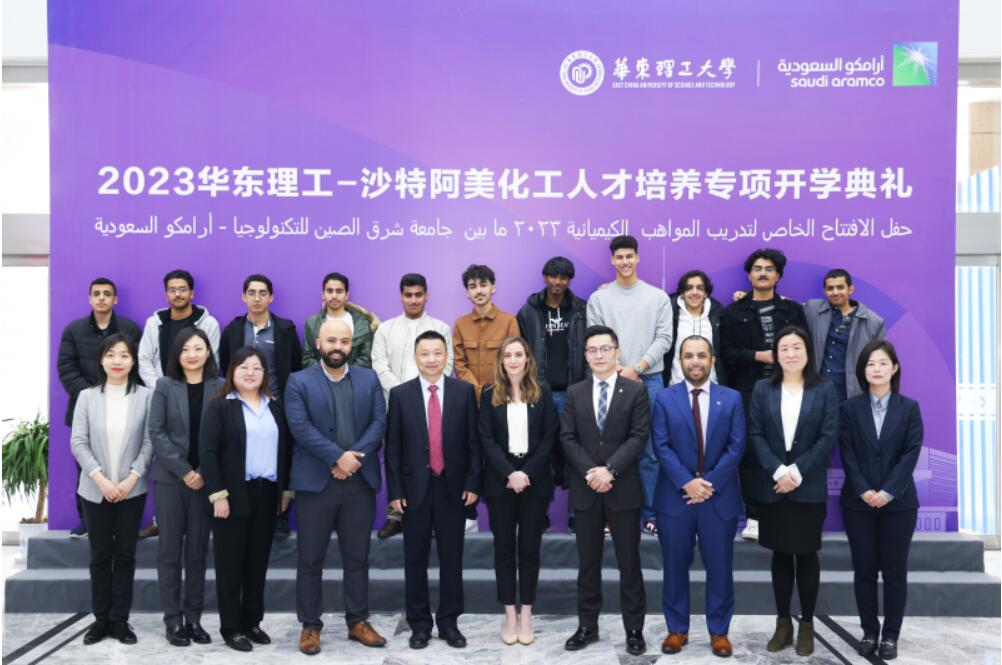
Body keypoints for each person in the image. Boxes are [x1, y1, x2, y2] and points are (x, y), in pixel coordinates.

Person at [285, 320, 388, 654]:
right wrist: (337, 457)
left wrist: (351, 460)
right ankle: (310, 626)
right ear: (318, 344)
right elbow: (299, 426)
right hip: (316, 485)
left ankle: (358, 621)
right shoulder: (298, 381)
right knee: (310, 558)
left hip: (358, 482)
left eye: (344, 341)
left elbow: (379, 422)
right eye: (331, 340)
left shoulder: (368, 378)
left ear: (352, 345)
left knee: (357, 557)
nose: (337, 347)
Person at [385, 330, 482, 650]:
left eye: (437, 353)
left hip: (453, 489)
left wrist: (473, 482)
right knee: (415, 560)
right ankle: (420, 625)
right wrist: (395, 490)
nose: (431, 359)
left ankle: (449, 622)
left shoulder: (463, 392)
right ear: (415, 357)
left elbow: (473, 443)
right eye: (425, 354)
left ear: (446, 356)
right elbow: (393, 448)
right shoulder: (400, 395)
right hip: (414, 491)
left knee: (452, 559)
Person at [651, 335, 746, 658]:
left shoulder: (731, 398)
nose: (695, 361)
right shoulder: (665, 398)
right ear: (680, 361)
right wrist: (686, 483)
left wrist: (708, 484)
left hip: (718, 499)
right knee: (674, 566)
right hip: (674, 498)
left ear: (712, 360)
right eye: (689, 355)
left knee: (720, 567)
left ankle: (719, 631)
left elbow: (737, 446)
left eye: (701, 355)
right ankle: (677, 629)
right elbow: (660, 445)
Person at [747, 326, 837, 657]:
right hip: (774, 486)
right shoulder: (762, 388)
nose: (790, 353)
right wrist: (778, 471)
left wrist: (796, 472)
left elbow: (828, 435)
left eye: (797, 347)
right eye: (784, 348)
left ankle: (807, 625)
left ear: (807, 352)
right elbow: (755, 434)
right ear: (776, 354)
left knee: (807, 555)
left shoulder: (825, 388)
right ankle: (783, 623)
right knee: (780, 555)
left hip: (807, 485)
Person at [561, 325, 650, 657]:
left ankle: (634, 630)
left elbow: (638, 437)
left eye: (605, 349)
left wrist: (610, 470)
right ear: (585, 356)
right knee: (588, 563)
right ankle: (587, 626)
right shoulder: (575, 392)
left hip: (622, 488)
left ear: (617, 352)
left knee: (630, 563)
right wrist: (591, 472)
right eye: (592, 350)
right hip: (586, 489)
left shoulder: (636, 391)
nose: (599, 355)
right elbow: (567, 437)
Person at [199, 347, 292, 651]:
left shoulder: (275, 407)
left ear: (265, 374)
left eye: (257, 368)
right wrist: (218, 495)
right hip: (232, 495)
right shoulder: (220, 406)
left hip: (267, 494)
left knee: (257, 563)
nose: (250, 373)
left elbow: (286, 451)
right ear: (232, 371)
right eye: (244, 367)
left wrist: (286, 492)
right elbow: (208, 453)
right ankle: (231, 628)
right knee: (230, 565)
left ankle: (252, 622)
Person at [839, 339, 923, 661]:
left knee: (894, 572)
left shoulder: (909, 408)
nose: (876, 369)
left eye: (883, 363)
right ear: (863, 370)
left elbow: (910, 453)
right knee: (864, 571)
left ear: (894, 368)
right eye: (870, 364)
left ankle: (890, 636)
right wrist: (863, 489)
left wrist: (887, 491)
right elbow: (847, 452)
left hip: (899, 504)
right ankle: (869, 631)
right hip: (857, 503)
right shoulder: (849, 409)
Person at [70, 333, 154, 646]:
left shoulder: (146, 397)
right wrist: (101, 480)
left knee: (126, 555)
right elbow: (78, 442)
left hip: (132, 489)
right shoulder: (87, 397)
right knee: (100, 556)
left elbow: (149, 442)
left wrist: (131, 478)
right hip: (95, 490)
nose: (117, 361)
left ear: (133, 361)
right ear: (101, 359)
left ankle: (120, 621)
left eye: (124, 355)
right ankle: (101, 620)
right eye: (111, 354)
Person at [586, 235, 672, 537]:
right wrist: (617, 369)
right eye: (619, 257)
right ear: (612, 260)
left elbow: (664, 338)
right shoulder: (599, 299)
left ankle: (650, 514)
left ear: (637, 258)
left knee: (649, 452)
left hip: (649, 380)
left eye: (629, 256)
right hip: (609, 378)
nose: (624, 261)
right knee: (610, 449)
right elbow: (596, 337)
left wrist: (637, 368)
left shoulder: (658, 297)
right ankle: (611, 515)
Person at [720, 248, 807, 541]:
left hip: (788, 388)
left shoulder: (792, 310)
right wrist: (759, 355)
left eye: (769, 269)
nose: (763, 273)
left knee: (788, 449)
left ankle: (784, 512)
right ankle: (755, 516)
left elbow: (805, 348)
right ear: (749, 275)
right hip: (747, 390)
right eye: (757, 268)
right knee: (751, 454)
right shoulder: (734, 312)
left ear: (778, 275)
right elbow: (727, 354)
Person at [479, 336, 558, 645]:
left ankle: (526, 613)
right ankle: (509, 614)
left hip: (534, 480)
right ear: (501, 360)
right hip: (501, 481)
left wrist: (526, 473)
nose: (513, 360)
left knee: (529, 549)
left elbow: (549, 437)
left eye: (519, 355)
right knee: (503, 550)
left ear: (528, 359)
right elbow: (486, 439)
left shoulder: (543, 391)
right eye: (508, 355)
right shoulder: (489, 394)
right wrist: (510, 473)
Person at [149, 328, 223, 647]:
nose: (192, 354)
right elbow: (157, 432)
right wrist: (184, 471)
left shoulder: (220, 387)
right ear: (177, 354)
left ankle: (193, 618)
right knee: (169, 551)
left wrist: (202, 472)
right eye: (185, 349)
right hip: (171, 480)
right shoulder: (165, 386)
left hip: (205, 482)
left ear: (208, 352)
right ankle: (173, 620)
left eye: (198, 348)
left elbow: (224, 435)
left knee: (197, 551)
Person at [218, 274, 302, 538]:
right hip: (240, 406)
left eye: (263, 293)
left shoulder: (285, 330)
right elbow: (225, 365)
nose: (257, 298)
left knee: (280, 457)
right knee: (243, 456)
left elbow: (295, 366)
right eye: (251, 293)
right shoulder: (233, 330)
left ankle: (280, 515)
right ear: (243, 297)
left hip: (276, 406)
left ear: (271, 297)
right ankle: (243, 508)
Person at [371, 273, 454, 539]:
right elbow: (379, 365)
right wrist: (403, 395)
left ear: (426, 295)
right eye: (408, 295)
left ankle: (431, 515)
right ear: (401, 296)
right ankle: (395, 515)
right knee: (395, 458)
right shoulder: (386, 329)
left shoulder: (441, 328)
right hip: (393, 406)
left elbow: (447, 365)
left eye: (419, 294)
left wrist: (419, 397)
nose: (414, 300)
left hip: (433, 407)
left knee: (430, 459)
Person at [57, 277, 141, 538]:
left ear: (115, 299)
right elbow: (66, 368)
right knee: (86, 467)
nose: (102, 298)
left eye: (107, 294)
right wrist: (92, 397)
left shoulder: (129, 329)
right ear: (90, 299)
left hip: (125, 404)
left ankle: (122, 521)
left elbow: (137, 365)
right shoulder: (74, 330)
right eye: (97, 293)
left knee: (124, 460)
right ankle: (86, 520)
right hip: (84, 408)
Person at [516, 256, 588, 531]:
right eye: (553, 276)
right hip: (539, 394)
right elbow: (521, 353)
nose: (558, 282)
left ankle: (576, 515)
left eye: (563, 277)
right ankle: (540, 516)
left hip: (574, 393)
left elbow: (589, 348)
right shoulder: (529, 311)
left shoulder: (581, 309)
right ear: (545, 277)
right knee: (540, 455)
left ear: (569, 280)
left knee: (576, 455)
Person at [453, 263, 520, 531]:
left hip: (501, 402)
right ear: (467, 293)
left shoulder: (509, 321)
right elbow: (459, 364)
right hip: (470, 403)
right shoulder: (460, 324)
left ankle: (508, 513)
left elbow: (514, 359)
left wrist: (493, 391)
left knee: (501, 455)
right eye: (472, 286)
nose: (478, 290)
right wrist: (478, 390)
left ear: (493, 288)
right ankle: (469, 515)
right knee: (470, 455)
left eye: (483, 285)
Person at [804, 269, 886, 402]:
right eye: (830, 288)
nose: (835, 292)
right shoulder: (812, 309)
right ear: (825, 291)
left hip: (851, 395)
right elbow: (788, 310)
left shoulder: (873, 322)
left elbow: (880, 362)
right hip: (816, 393)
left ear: (850, 289)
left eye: (840, 287)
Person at [138, 269, 221, 389]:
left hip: (197, 390)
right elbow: (144, 359)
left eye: (182, 289)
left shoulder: (209, 323)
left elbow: (213, 362)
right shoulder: (153, 323)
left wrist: (195, 388)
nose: (177, 294)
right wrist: (160, 389)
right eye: (172, 290)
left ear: (191, 293)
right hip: (161, 390)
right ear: (166, 296)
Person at [302, 272, 379, 368]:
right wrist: (326, 373)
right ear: (323, 294)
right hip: (320, 377)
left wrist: (345, 374)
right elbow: (307, 358)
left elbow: (366, 358)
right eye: (329, 291)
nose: (334, 296)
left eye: (339, 291)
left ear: (347, 295)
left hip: (354, 376)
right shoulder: (312, 323)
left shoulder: (361, 323)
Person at [663, 270, 726, 387]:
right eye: (689, 288)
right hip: (676, 385)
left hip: (711, 386)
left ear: (706, 293)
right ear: (682, 293)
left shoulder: (718, 315)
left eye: (700, 288)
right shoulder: (670, 314)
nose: (694, 292)